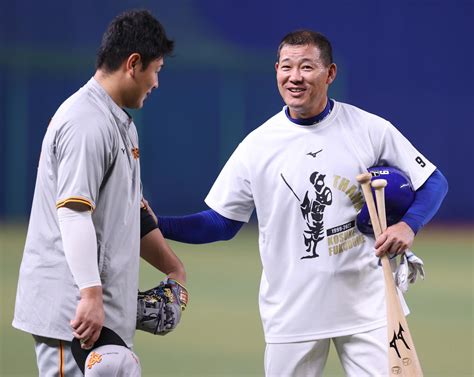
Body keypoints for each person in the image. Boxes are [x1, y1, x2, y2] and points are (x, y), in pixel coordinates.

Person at [154, 30, 448, 376]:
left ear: (330, 73)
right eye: (287, 67)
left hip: (370, 306)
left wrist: (407, 225)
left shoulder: (369, 128)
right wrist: (155, 224)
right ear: (277, 70)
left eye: (307, 67)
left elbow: (433, 182)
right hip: (292, 314)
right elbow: (221, 223)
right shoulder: (257, 145)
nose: (295, 77)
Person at [12, 10, 186, 377]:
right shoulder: (86, 122)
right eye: (156, 69)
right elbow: (73, 213)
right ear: (133, 64)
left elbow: (132, 214)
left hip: (97, 312)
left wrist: (174, 269)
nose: (156, 82)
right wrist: (90, 294)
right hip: (73, 315)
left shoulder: (118, 122)